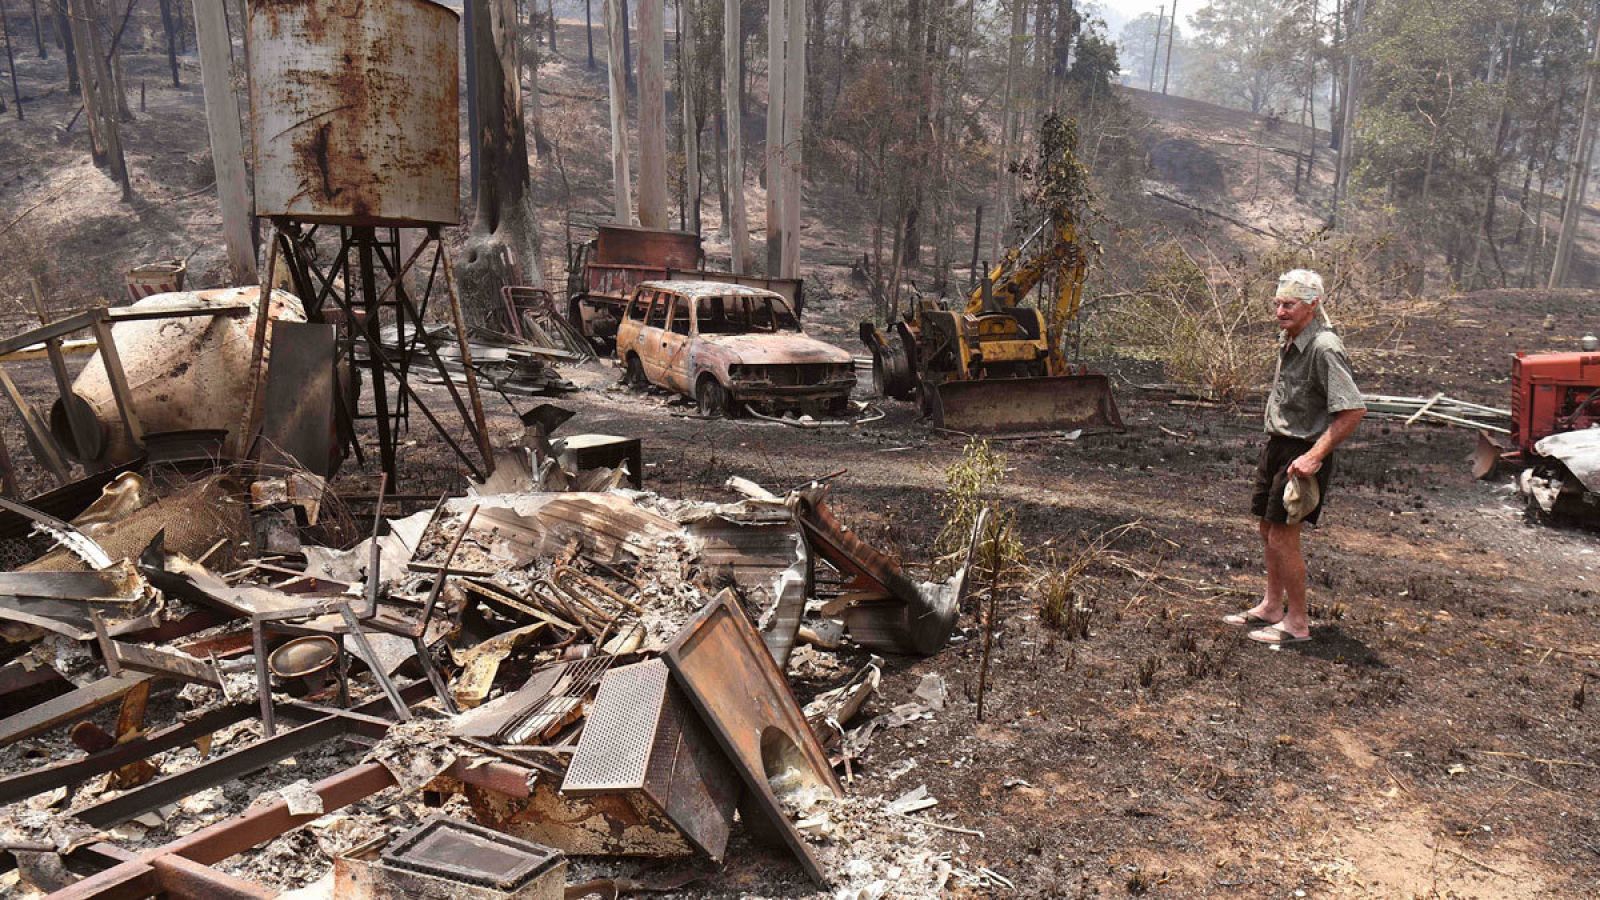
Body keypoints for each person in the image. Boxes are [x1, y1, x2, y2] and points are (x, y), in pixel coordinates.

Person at [1225, 269, 1366, 646]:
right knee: (1267, 530)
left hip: (1303, 452)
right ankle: (1272, 607)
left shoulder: (1324, 347)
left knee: (1284, 538)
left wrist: (1314, 457)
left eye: (1289, 304)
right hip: (1278, 445)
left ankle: (1298, 623)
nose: (1280, 312)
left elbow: (1353, 410)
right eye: (1277, 304)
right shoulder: (1289, 339)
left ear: (1312, 305)